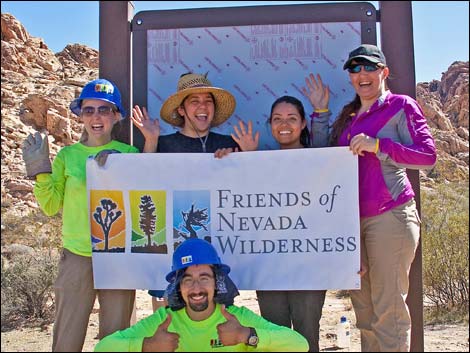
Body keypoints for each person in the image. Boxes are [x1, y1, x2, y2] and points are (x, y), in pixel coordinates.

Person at [311, 44, 437, 351]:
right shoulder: (349, 115)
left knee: (389, 312)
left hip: (390, 217)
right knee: (364, 313)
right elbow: (324, 157)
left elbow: (427, 156)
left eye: (369, 67)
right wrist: (320, 112)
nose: (362, 74)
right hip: (352, 224)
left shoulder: (399, 105)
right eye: (354, 69)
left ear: (384, 72)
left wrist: (379, 146)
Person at [21, 78, 159, 351]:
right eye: (89, 110)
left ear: (116, 116)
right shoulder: (68, 156)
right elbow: (50, 206)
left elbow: (147, 191)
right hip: (77, 256)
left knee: (116, 339)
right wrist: (41, 172)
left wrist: (131, 157)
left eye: (104, 110)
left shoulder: (128, 152)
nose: (96, 117)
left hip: (118, 256)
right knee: (67, 338)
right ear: (80, 116)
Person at [132, 72, 258, 310]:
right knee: (169, 325)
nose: (203, 107)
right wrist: (150, 141)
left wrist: (245, 157)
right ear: (181, 110)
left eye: (208, 101)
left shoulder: (229, 143)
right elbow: (145, 186)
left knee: (217, 323)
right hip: (172, 250)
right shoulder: (164, 144)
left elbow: (247, 194)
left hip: (218, 253)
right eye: (194, 101)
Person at [231, 86, 330, 352]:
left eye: (291, 118)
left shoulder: (319, 159)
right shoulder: (261, 160)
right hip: (270, 266)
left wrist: (321, 111)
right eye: (277, 119)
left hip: (309, 267)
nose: (284, 124)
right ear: (270, 124)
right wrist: (247, 160)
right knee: (273, 336)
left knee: (308, 335)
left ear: (302, 124)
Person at [94, 238, 309, 351]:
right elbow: (103, 348)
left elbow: (300, 345)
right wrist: (147, 347)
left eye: (204, 278)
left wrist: (247, 335)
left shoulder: (236, 318)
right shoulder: (165, 321)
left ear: (217, 283)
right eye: (188, 279)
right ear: (178, 286)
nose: (196, 288)